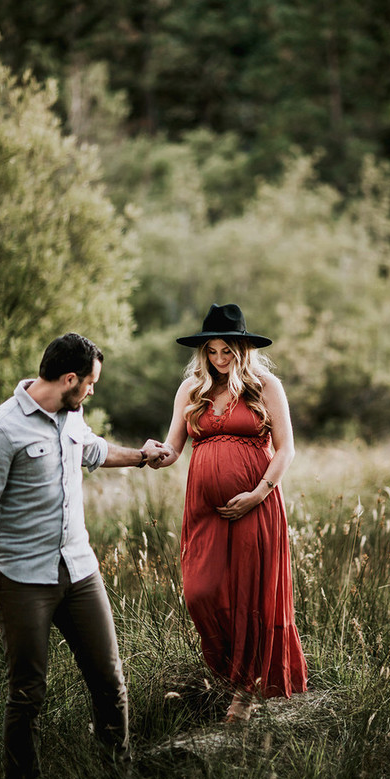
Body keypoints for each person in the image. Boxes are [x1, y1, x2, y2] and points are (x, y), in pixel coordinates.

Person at [0, 332, 169, 779]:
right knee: (27, 694)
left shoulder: (72, 414)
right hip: (22, 579)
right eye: (90, 383)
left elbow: (91, 450)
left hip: (80, 570)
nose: (92, 391)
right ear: (69, 379)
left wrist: (143, 456)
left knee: (110, 681)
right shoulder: (0, 430)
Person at [154, 303, 308, 721]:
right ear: (203, 351)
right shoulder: (191, 390)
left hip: (256, 507)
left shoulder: (265, 386)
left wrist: (259, 492)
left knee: (249, 597)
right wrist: (145, 454)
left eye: (227, 351)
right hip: (204, 510)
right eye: (212, 351)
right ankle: (230, 673)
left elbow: (286, 448)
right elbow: (172, 449)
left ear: (242, 349)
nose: (219, 359)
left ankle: (244, 692)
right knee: (201, 592)